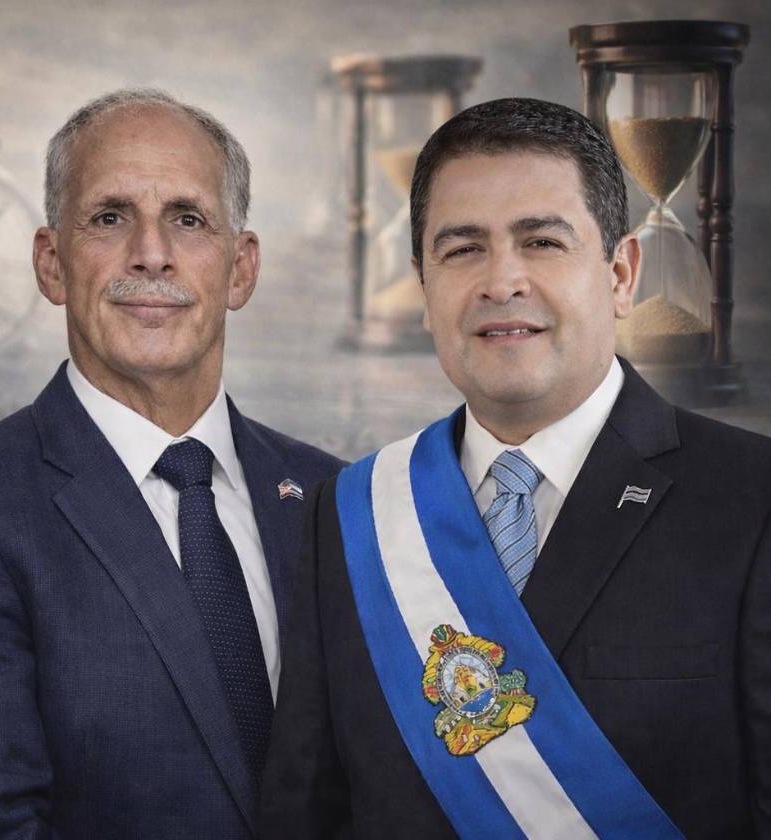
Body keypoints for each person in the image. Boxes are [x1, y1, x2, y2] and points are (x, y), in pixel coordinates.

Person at [259, 97, 771, 838]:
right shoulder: (350, 512)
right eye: (463, 249)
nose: (502, 282)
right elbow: (304, 813)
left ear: (622, 273)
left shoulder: (750, 499)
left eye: (542, 242)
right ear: (423, 288)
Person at [0, 88, 343, 839]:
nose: (151, 252)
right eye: (110, 218)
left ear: (241, 269)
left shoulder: (335, 499)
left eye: (188, 219)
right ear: (51, 264)